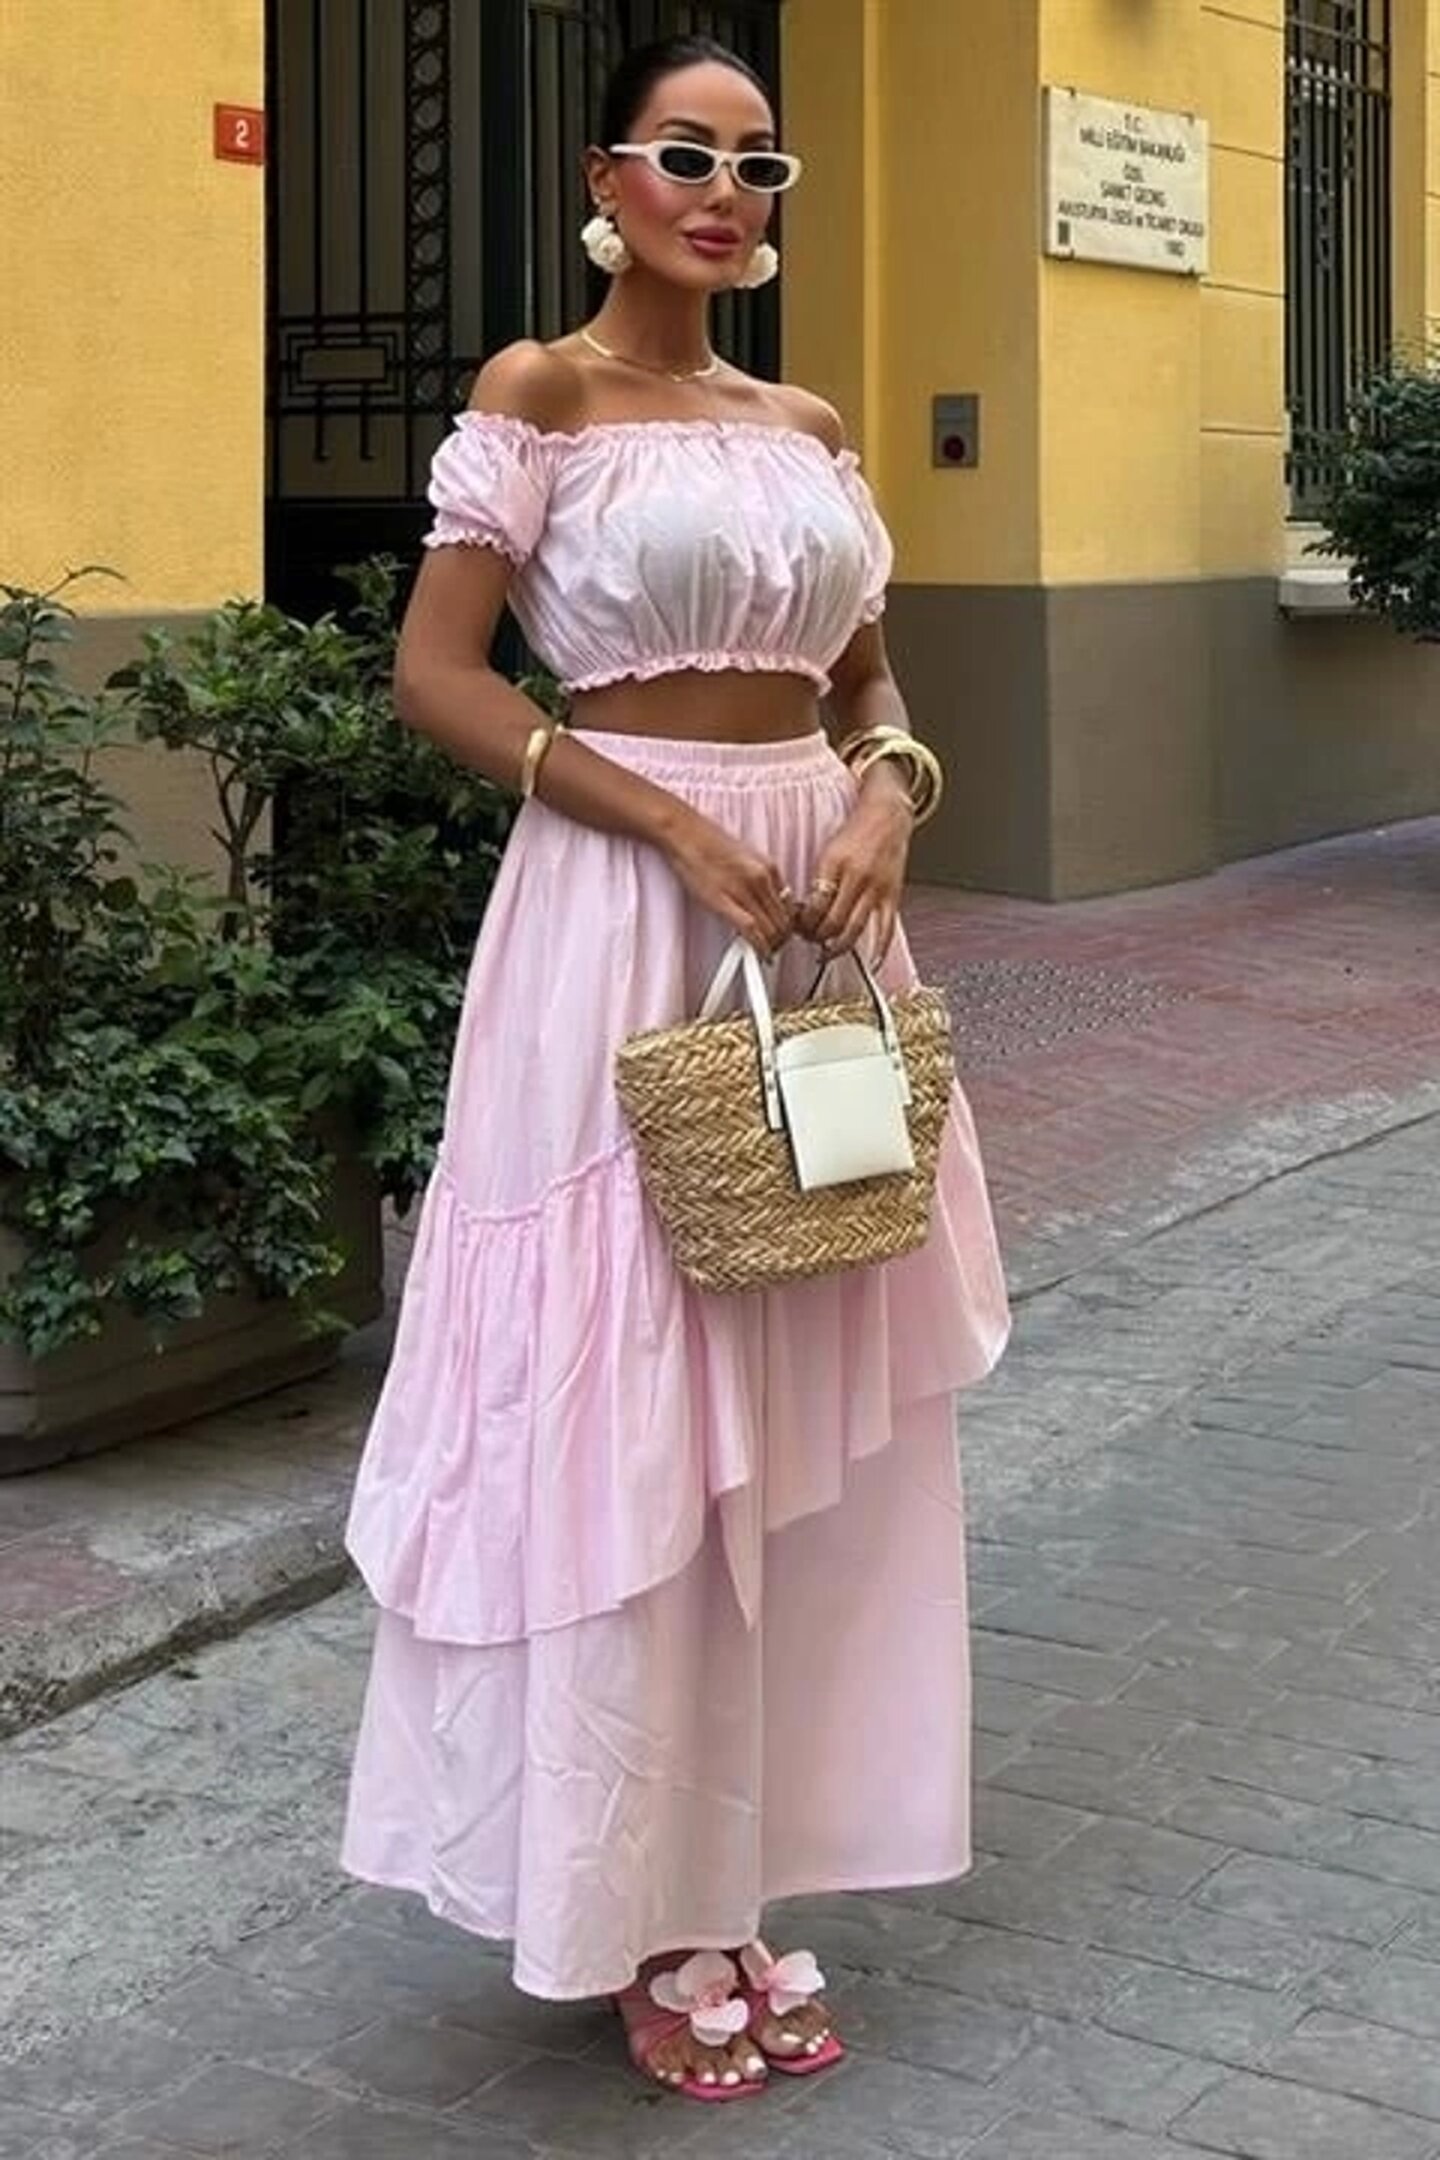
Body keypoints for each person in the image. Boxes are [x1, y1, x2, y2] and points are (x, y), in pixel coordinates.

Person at [340, 32, 1010, 2104]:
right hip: (620, 919)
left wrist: (890, 790)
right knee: (632, 1395)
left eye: (758, 163)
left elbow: (868, 682)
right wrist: (666, 821)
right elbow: (436, 675)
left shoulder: (806, 426)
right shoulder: (539, 395)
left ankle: (737, 1868)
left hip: (817, 920)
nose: (727, 192)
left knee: (794, 1380)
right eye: (688, 155)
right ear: (605, 181)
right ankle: (627, 1897)